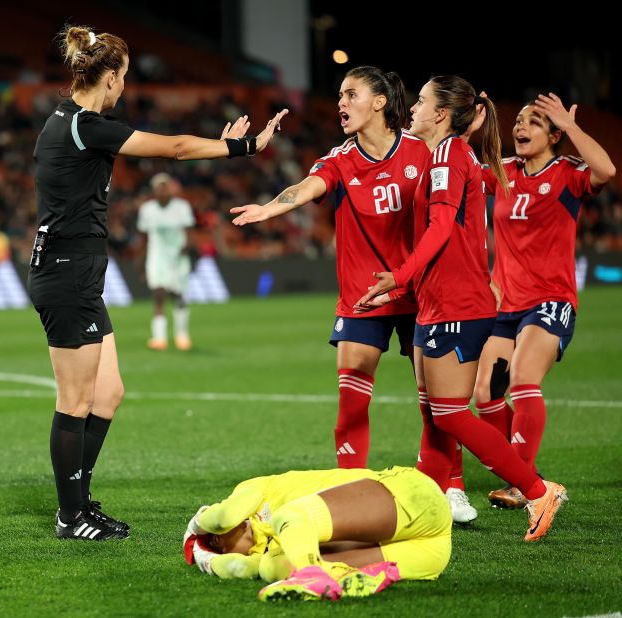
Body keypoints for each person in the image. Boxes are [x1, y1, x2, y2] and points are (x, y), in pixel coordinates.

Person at [31, 24, 287, 541]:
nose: (123, 89)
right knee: (75, 400)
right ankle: (69, 515)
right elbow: (173, 148)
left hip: (76, 273)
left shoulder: (68, 121)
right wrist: (239, 148)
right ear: (108, 78)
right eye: (122, 78)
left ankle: (80, 501)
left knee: (108, 393)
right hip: (65, 274)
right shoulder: (85, 125)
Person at [230, 67, 477, 522]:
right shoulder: (341, 158)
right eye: (339, 94)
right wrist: (268, 209)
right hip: (364, 297)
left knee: (436, 405)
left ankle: (451, 486)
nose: (341, 102)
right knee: (352, 399)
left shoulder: (424, 153)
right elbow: (307, 187)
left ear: (380, 102)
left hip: (418, 290)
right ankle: (350, 486)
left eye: (351, 94)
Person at [355, 75, 568, 541]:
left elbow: (440, 228)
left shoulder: (449, 155)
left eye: (421, 101)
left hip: (458, 303)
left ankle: (536, 490)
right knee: (434, 414)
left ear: (439, 114)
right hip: (434, 304)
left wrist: (400, 278)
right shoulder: (444, 154)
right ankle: (429, 508)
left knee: (450, 414)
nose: (411, 108)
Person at [471, 94, 615, 508]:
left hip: (550, 301)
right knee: (486, 393)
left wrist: (571, 127)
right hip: (505, 305)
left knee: (522, 379)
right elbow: (460, 172)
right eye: (518, 120)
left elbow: (606, 169)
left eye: (534, 122)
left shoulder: (567, 173)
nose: (521, 127)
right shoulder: (501, 171)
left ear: (553, 135)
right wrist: (471, 126)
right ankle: (525, 474)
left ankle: (522, 483)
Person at [182, 466, 451, 602]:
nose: (216, 537)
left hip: (412, 495)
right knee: (271, 567)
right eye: (215, 544)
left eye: (213, 535)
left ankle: (315, 576)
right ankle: (333, 576)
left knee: (288, 516)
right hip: (429, 552)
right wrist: (203, 556)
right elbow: (239, 568)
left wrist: (196, 526)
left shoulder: (252, 490)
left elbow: (223, 517)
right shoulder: (284, 548)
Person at [137, 172, 196, 351]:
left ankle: (182, 335)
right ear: (154, 190)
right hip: (157, 257)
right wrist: (140, 259)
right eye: (159, 187)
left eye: (166, 186)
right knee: (158, 294)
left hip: (178, 257)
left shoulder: (182, 207)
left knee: (177, 295)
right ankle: (159, 338)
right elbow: (144, 237)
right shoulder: (147, 209)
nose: (163, 190)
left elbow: (190, 232)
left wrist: (187, 247)